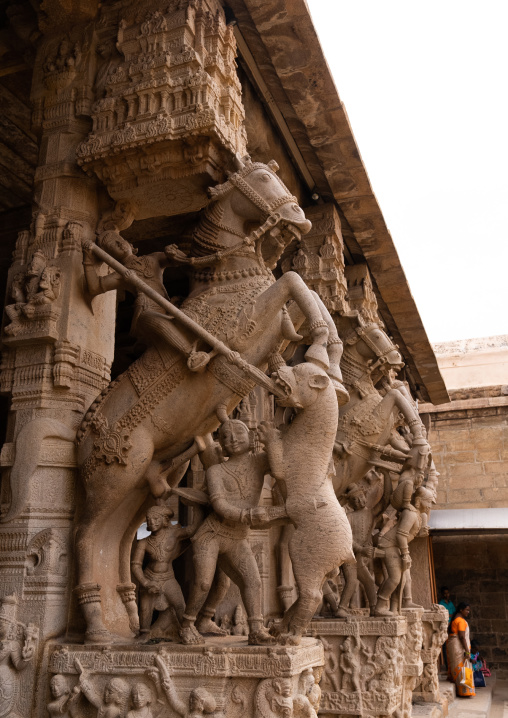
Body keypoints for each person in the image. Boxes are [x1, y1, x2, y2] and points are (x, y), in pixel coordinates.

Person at [179, 418, 275, 646]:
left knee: (253, 581)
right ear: (220, 444)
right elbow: (220, 506)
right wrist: (248, 516)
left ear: (251, 437)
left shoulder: (259, 462)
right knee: (204, 582)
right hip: (212, 534)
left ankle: (255, 629)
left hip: (237, 538)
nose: (232, 439)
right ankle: (186, 625)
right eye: (225, 436)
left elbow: (284, 461)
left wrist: (272, 440)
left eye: (239, 433)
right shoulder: (216, 471)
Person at [131, 503, 202, 639]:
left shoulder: (174, 534)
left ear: (164, 521)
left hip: (168, 578)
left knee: (180, 605)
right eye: (149, 519)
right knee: (145, 610)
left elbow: (192, 530)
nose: (152, 522)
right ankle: (145, 633)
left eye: (156, 519)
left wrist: (196, 506)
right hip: (150, 577)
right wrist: (146, 583)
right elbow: (135, 565)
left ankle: (186, 631)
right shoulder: (144, 542)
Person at [446, 603, 475, 697]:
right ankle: (464, 691)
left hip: (453, 646)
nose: (468, 612)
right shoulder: (460, 621)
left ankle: (460, 689)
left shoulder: (454, 620)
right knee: (462, 667)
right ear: (461, 610)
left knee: (457, 666)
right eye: (467, 610)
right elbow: (462, 637)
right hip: (459, 647)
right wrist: (467, 651)